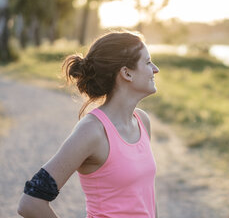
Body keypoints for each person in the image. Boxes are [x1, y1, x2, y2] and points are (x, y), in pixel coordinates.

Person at [17, 31, 160, 218]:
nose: (155, 69)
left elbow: (146, 198)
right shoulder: (93, 131)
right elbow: (30, 203)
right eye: (148, 62)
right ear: (126, 73)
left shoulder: (142, 121)